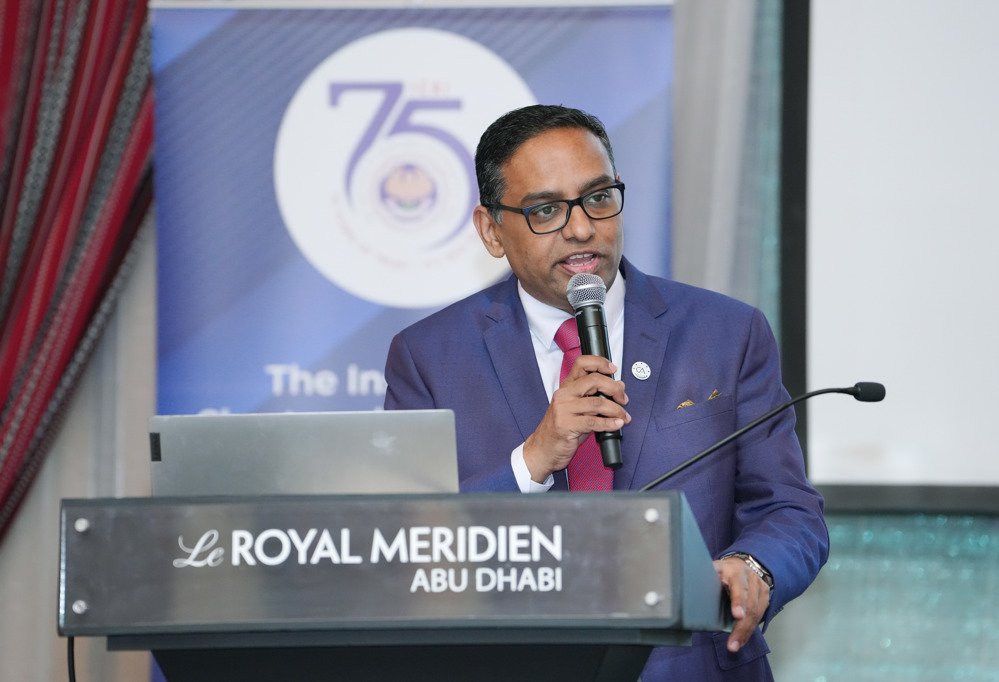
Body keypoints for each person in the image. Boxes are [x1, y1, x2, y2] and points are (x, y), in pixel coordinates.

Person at [383, 104, 828, 680]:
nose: (581, 228)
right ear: (492, 230)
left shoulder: (725, 332)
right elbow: (407, 548)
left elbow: (789, 509)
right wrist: (532, 461)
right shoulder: (429, 357)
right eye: (546, 209)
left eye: (598, 198)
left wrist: (754, 567)